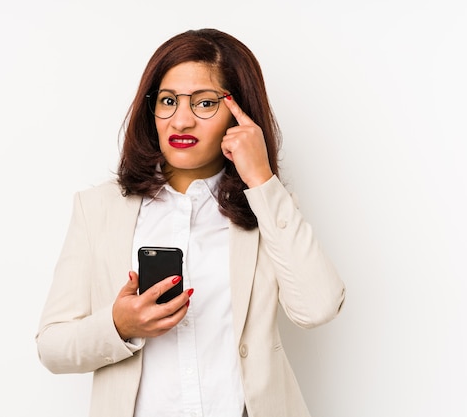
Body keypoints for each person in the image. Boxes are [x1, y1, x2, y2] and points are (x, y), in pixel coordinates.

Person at [36, 28, 345, 417]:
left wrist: (262, 180)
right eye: (168, 101)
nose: (181, 121)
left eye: (204, 104)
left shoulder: (268, 208)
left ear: (240, 112)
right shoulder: (99, 209)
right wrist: (119, 325)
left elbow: (317, 308)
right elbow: (52, 346)